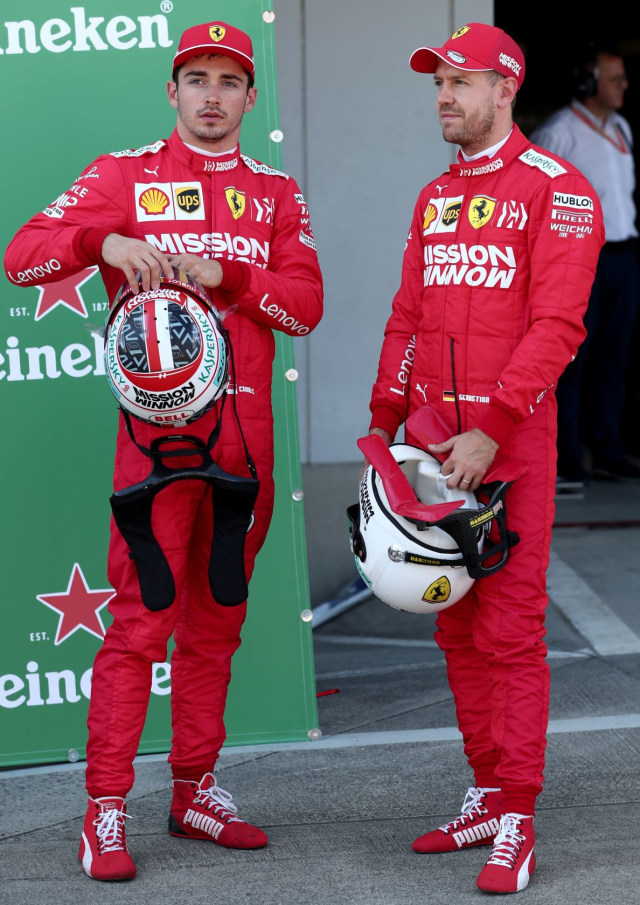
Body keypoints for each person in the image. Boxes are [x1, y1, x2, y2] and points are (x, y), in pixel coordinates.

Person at [4, 20, 323, 882]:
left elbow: (306, 306)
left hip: (244, 450)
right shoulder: (126, 176)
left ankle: (194, 791)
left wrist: (234, 278)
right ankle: (105, 809)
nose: (212, 95)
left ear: (251, 98)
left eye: (229, 80)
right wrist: (99, 242)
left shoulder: (276, 193)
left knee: (216, 623)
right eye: (197, 79)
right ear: (172, 91)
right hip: (154, 451)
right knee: (141, 623)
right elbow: (20, 254)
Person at [364, 22, 603, 894]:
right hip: (431, 441)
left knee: (508, 632)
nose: (443, 97)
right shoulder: (435, 197)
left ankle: (518, 821)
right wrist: (385, 425)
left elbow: (558, 327)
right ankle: (487, 791)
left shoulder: (557, 189)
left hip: (511, 445)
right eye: (438, 84)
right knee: (457, 627)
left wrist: (496, 424)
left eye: (460, 83)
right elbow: (406, 317)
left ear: (505, 90)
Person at [530, 45, 640, 484]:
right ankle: (566, 459)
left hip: (623, 256)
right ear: (588, 82)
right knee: (571, 359)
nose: (624, 85)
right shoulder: (560, 132)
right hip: (580, 262)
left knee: (615, 359)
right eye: (615, 78)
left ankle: (608, 448)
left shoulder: (623, 128)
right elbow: (535, 195)